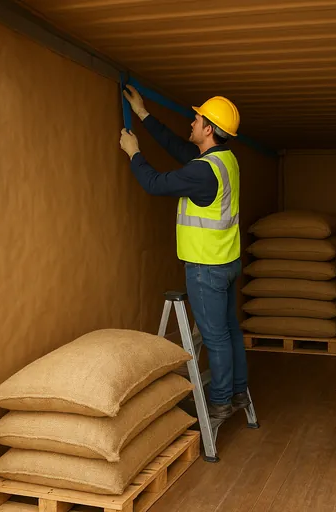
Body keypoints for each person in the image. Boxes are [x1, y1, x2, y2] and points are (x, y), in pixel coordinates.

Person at [119, 85, 248, 422]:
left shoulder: (203, 171)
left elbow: (155, 183)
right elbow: (178, 148)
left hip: (207, 267)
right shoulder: (224, 161)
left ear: (208, 129)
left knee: (215, 337)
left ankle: (220, 402)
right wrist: (143, 113)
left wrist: (133, 152)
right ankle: (238, 391)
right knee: (230, 331)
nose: (191, 122)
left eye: (197, 118)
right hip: (228, 261)